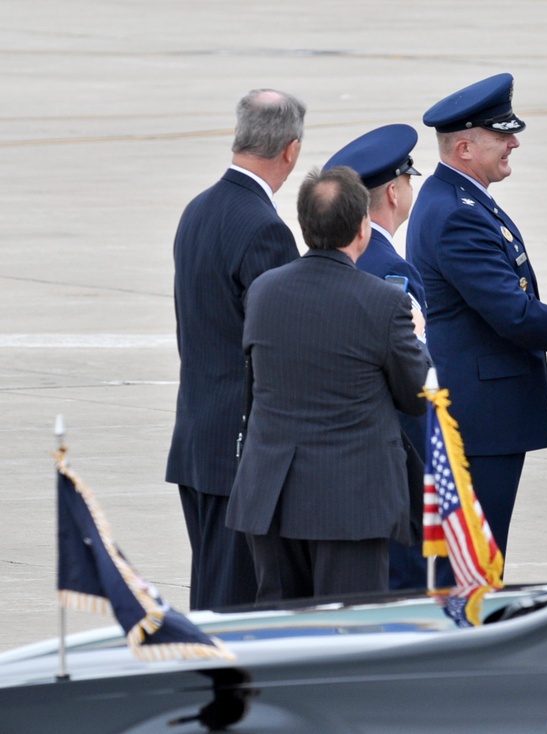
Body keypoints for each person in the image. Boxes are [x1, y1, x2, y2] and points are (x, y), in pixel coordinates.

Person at [406, 73, 547, 557]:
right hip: (479, 420)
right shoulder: (458, 213)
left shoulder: (461, 199)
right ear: (464, 147)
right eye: (502, 136)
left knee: (477, 555)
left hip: (482, 413)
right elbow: (514, 314)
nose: (514, 143)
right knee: (474, 563)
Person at [227, 166, 431, 602]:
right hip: (350, 505)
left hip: (272, 497)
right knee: (348, 633)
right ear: (362, 228)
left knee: (281, 634)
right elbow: (416, 397)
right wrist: (417, 337)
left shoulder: (263, 291)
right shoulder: (386, 302)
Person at [165, 88, 305, 611]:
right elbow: (278, 345)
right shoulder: (264, 227)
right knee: (234, 604)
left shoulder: (198, 210)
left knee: (210, 592)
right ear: (290, 150)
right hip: (241, 451)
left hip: (198, 439)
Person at [322, 124, 432, 590]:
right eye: (409, 179)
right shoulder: (391, 272)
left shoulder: (331, 259)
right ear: (393, 191)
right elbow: (413, 381)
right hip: (389, 473)